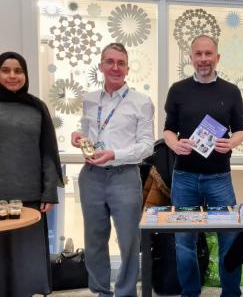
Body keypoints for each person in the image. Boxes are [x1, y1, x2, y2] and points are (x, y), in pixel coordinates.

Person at [0, 51, 63, 297]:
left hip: (28, 200)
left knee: (24, 267)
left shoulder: (37, 107)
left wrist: (48, 190)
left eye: (18, 71)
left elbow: (48, 152)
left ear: (25, 74)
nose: (12, 76)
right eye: (6, 70)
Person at [164, 34, 243, 297]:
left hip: (219, 177)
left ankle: (231, 293)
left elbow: (240, 131)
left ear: (217, 57)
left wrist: (231, 143)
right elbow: (168, 130)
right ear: (191, 58)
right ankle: (190, 292)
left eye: (208, 54)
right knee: (184, 240)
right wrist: (174, 144)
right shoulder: (178, 90)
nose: (203, 59)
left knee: (229, 238)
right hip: (184, 177)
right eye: (198, 54)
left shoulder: (231, 91)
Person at [71, 42, 154, 297]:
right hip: (91, 177)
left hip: (125, 176)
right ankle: (99, 291)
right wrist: (78, 135)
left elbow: (147, 146)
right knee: (94, 240)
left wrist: (115, 154)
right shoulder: (89, 99)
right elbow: (88, 131)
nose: (115, 67)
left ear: (128, 69)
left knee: (129, 241)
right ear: (101, 66)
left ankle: (126, 292)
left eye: (121, 63)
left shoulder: (141, 102)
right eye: (110, 62)